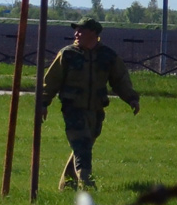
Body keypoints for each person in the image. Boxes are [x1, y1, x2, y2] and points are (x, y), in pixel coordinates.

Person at [39, 15, 140, 190]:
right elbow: (51, 81)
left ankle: (67, 185)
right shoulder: (67, 54)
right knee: (82, 146)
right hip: (73, 109)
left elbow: (120, 79)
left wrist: (131, 98)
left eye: (81, 30)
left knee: (82, 147)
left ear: (93, 33)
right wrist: (43, 103)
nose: (76, 34)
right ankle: (87, 185)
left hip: (96, 110)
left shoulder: (107, 56)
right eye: (76, 31)